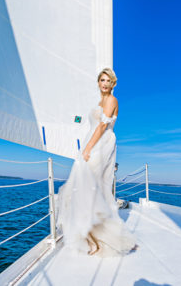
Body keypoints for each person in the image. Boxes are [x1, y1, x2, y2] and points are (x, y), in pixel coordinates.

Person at [56, 68, 138, 257]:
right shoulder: (100, 101)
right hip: (92, 142)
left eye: (108, 81)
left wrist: (87, 149)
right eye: (102, 80)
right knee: (85, 189)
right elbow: (92, 124)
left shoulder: (111, 100)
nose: (104, 84)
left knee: (90, 188)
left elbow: (102, 126)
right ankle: (93, 239)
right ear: (98, 82)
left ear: (113, 84)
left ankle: (101, 240)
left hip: (101, 144)